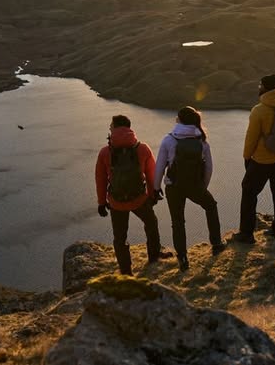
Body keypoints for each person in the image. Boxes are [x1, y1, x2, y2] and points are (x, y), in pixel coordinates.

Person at [153, 106, 226, 271]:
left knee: (177, 222)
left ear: (179, 119)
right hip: (195, 186)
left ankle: (183, 259)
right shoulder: (202, 140)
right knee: (211, 206)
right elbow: (209, 168)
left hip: (174, 187)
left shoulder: (169, 139)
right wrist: (202, 187)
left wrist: (155, 188)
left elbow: (159, 167)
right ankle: (216, 244)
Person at [94, 114, 165, 275]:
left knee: (120, 237)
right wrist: (153, 194)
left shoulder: (105, 152)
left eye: (111, 126)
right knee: (151, 223)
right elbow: (151, 173)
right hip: (139, 199)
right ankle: (154, 256)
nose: (110, 128)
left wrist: (101, 202)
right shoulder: (142, 148)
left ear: (115, 128)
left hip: (116, 202)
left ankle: (126, 271)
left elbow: (100, 179)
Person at [233, 73, 275, 243]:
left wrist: (246, 157)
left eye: (260, 85)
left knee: (249, 192)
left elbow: (251, 137)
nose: (258, 87)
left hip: (261, 160)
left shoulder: (259, 110)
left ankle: (246, 233)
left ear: (265, 87)